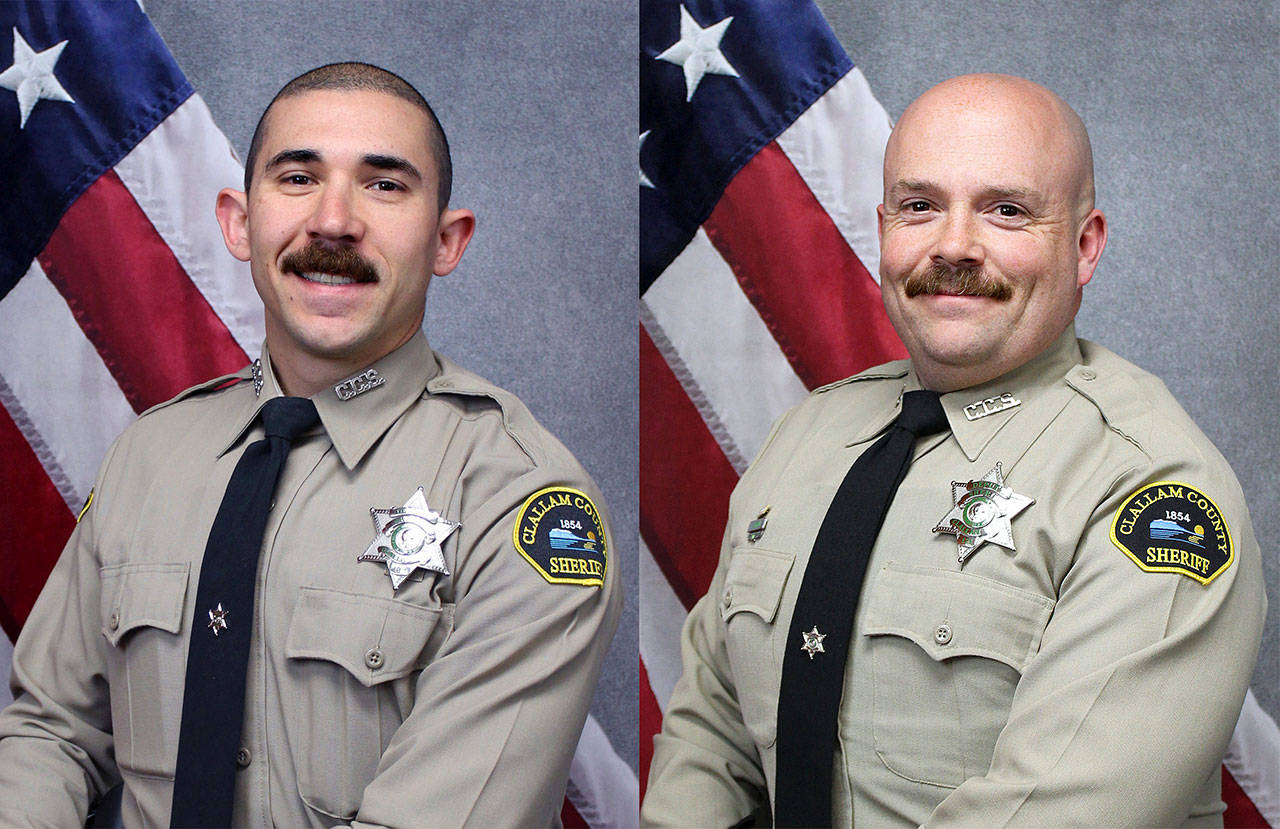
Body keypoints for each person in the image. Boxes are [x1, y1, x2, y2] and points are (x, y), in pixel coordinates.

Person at [0, 62, 621, 827]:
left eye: (384, 185)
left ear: (446, 240)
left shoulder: (518, 498)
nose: (333, 221)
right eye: (297, 178)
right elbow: (52, 732)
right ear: (239, 222)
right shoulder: (148, 457)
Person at [643, 74, 1266, 827]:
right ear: (883, 228)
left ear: (1084, 245)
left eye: (1007, 210)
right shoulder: (806, 436)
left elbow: (1058, 815)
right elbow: (711, 733)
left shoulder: (1149, 485)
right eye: (920, 206)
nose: (954, 246)